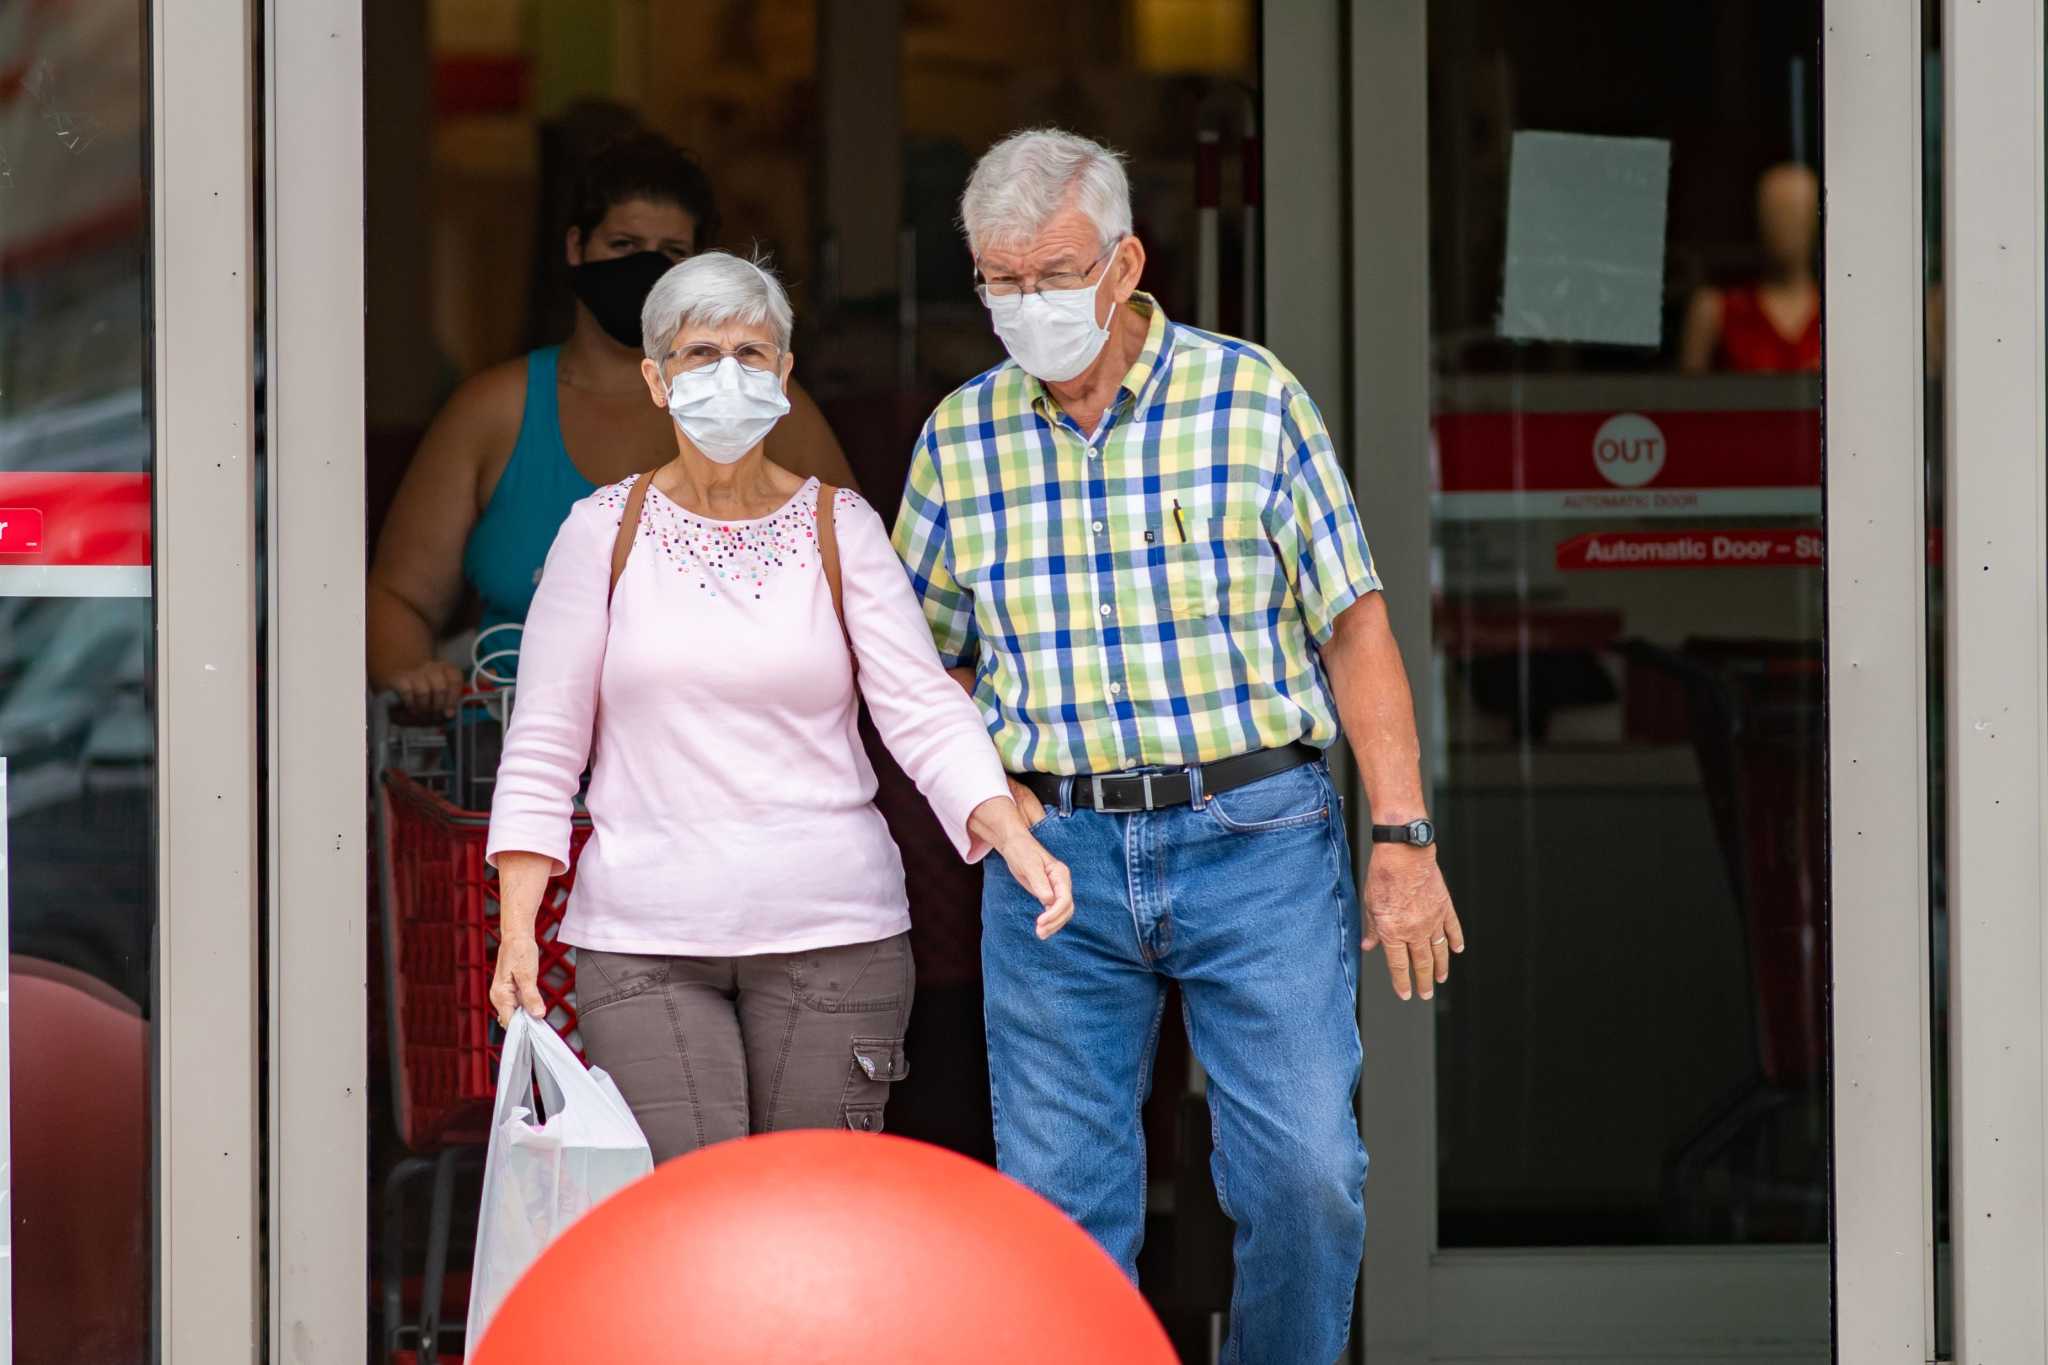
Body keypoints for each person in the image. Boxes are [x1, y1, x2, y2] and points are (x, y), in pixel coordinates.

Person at [892, 128, 1463, 1363]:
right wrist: (988, 808)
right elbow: (918, 668)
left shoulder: (1249, 399)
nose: (1024, 305)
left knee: (1307, 1175)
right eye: (998, 282)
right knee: (1060, 1211)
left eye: (1050, 273)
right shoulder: (956, 440)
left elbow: (1352, 628)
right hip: (1056, 859)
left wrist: (1401, 835)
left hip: (1250, 836)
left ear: (1124, 261)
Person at [484, 252, 1073, 1161]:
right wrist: (515, 927)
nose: (727, 374)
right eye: (699, 353)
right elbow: (544, 742)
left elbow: (920, 707)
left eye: (751, 353)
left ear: (785, 375)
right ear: (655, 379)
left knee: (810, 1229)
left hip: (836, 937)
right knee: (691, 1221)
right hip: (643, 944)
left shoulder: (843, 527)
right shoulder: (601, 531)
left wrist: (1008, 829)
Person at [369, 133, 858, 714]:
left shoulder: (767, 401)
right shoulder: (492, 411)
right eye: (623, 243)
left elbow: (853, 583)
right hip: (506, 746)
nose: (646, 267)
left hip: (718, 755)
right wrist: (414, 675)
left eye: (671, 252)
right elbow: (400, 598)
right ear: (576, 247)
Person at [1679, 162, 1821, 374]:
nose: (1785, 224)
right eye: (1774, 212)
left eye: (1796, 212)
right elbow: (1683, 401)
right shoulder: (1716, 310)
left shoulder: (1841, 314)